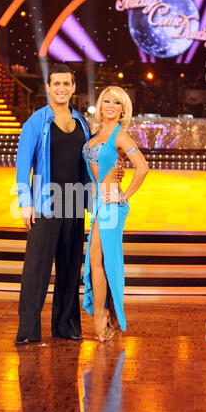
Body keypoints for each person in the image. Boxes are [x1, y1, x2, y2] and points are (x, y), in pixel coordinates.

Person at [14, 64, 124, 345]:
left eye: (67, 84)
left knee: (69, 267)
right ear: (48, 87)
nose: (62, 88)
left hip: (75, 202)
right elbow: (22, 164)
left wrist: (114, 173)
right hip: (45, 202)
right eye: (56, 84)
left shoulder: (83, 123)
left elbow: (90, 160)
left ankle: (66, 326)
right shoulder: (36, 122)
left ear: (74, 88)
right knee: (36, 269)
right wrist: (25, 202)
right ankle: (28, 331)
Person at [82, 86, 149, 342]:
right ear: (100, 106)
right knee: (96, 260)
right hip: (99, 205)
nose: (110, 105)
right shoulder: (96, 135)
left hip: (112, 205)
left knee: (100, 260)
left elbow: (142, 168)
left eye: (117, 102)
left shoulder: (121, 137)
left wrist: (124, 195)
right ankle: (104, 314)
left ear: (123, 110)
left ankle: (102, 316)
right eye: (106, 100)